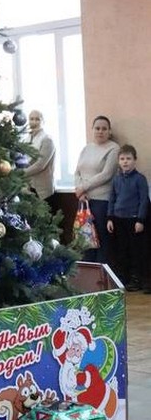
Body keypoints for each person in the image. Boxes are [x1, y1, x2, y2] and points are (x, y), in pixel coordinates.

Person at [74, 115, 119, 265]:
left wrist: (83, 187)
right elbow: (77, 172)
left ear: (109, 131)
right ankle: (89, 279)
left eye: (104, 129)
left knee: (101, 241)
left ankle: (102, 280)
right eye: (97, 128)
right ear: (92, 130)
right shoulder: (86, 148)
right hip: (84, 202)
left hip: (102, 201)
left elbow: (106, 174)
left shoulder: (113, 148)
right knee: (86, 241)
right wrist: (79, 191)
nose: (100, 131)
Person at [105, 145, 148, 291]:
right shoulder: (116, 180)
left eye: (128, 158)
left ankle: (137, 279)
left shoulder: (140, 179)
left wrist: (140, 220)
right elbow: (112, 199)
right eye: (122, 159)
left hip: (133, 220)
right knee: (121, 251)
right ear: (118, 161)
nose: (125, 162)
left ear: (134, 160)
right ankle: (124, 277)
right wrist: (110, 218)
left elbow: (144, 201)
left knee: (135, 251)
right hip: (118, 220)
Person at [22, 110, 56, 200]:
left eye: (37, 119)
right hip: (28, 187)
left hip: (42, 190)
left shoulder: (47, 140)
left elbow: (40, 165)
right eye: (31, 119)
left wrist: (21, 173)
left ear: (43, 121)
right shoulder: (25, 139)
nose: (34, 122)